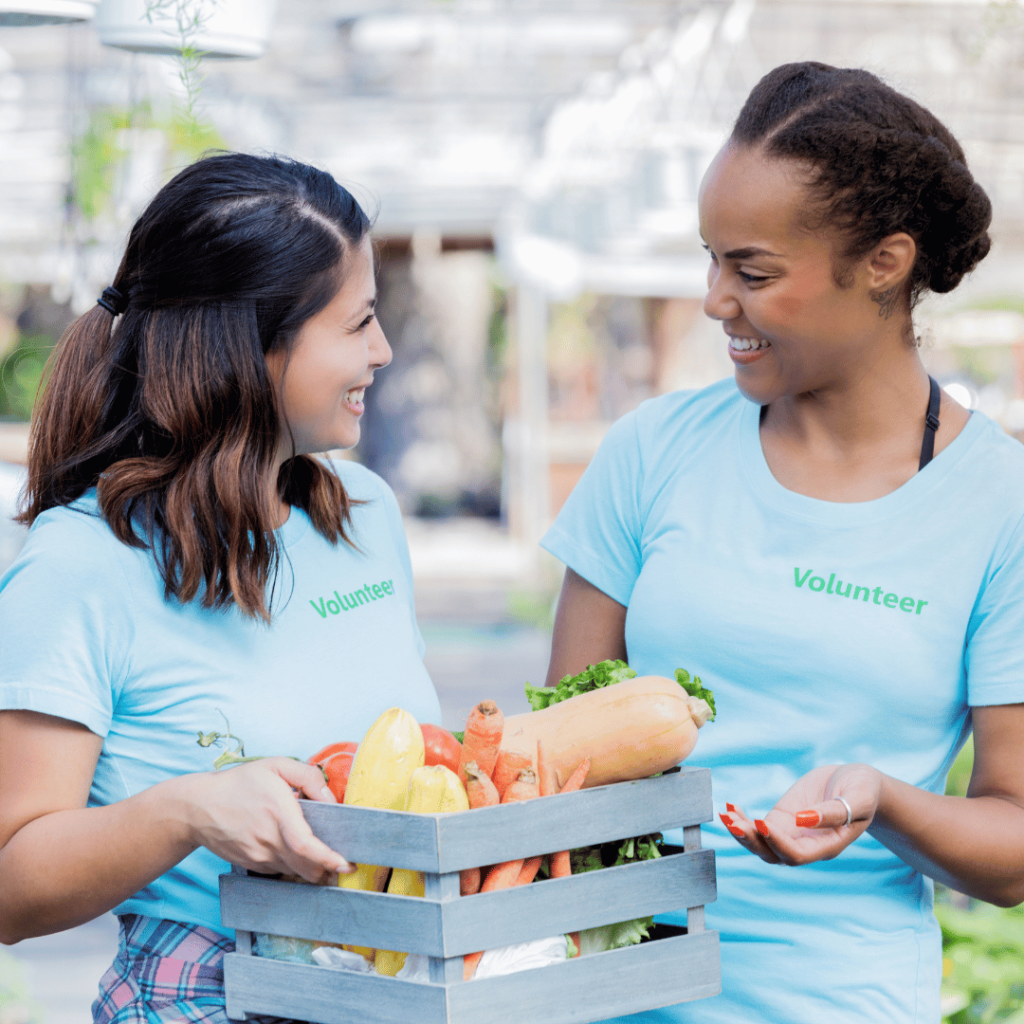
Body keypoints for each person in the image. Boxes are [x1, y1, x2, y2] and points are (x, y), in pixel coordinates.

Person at [541, 62, 1024, 1024]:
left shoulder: (1001, 507)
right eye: (711, 259)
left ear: (885, 262)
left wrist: (878, 799)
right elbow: (552, 761)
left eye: (752, 271)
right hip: (610, 996)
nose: (717, 299)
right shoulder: (652, 451)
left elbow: (1013, 849)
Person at [0, 153, 443, 1022]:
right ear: (252, 348)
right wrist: (188, 812)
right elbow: (11, 888)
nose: (382, 351)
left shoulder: (363, 512)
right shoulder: (81, 564)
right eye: (356, 325)